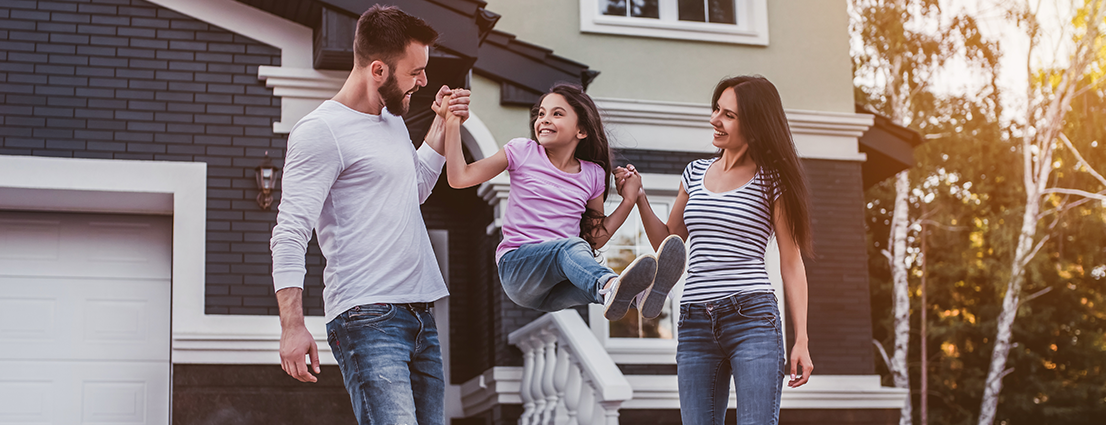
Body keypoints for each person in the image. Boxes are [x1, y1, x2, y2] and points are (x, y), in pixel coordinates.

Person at [268, 5, 470, 424]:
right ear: (378, 70)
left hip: (419, 312)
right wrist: (292, 325)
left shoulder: (391, 122)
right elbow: (289, 231)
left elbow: (412, 189)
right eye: (415, 72)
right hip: (368, 315)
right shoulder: (320, 131)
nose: (424, 80)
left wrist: (441, 123)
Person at [617, 75, 815, 425]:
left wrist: (801, 339)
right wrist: (639, 198)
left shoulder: (772, 180)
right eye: (716, 109)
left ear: (754, 126)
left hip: (752, 317)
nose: (714, 120)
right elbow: (669, 244)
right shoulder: (694, 173)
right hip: (694, 321)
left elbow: (791, 261)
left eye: (728, 115)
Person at [433, 83, 687, 320]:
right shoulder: (522, 152)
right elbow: (459, 177)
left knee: (590, 279)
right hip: (518, 269)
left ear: (582, 130)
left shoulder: (593, 174)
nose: (544, 119)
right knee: (572, 251)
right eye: (541, 113)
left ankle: (642, 295)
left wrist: (629, 200)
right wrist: (453, 122)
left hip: (556, 285)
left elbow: (594, 238)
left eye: (556, 114)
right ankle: (611, 285)